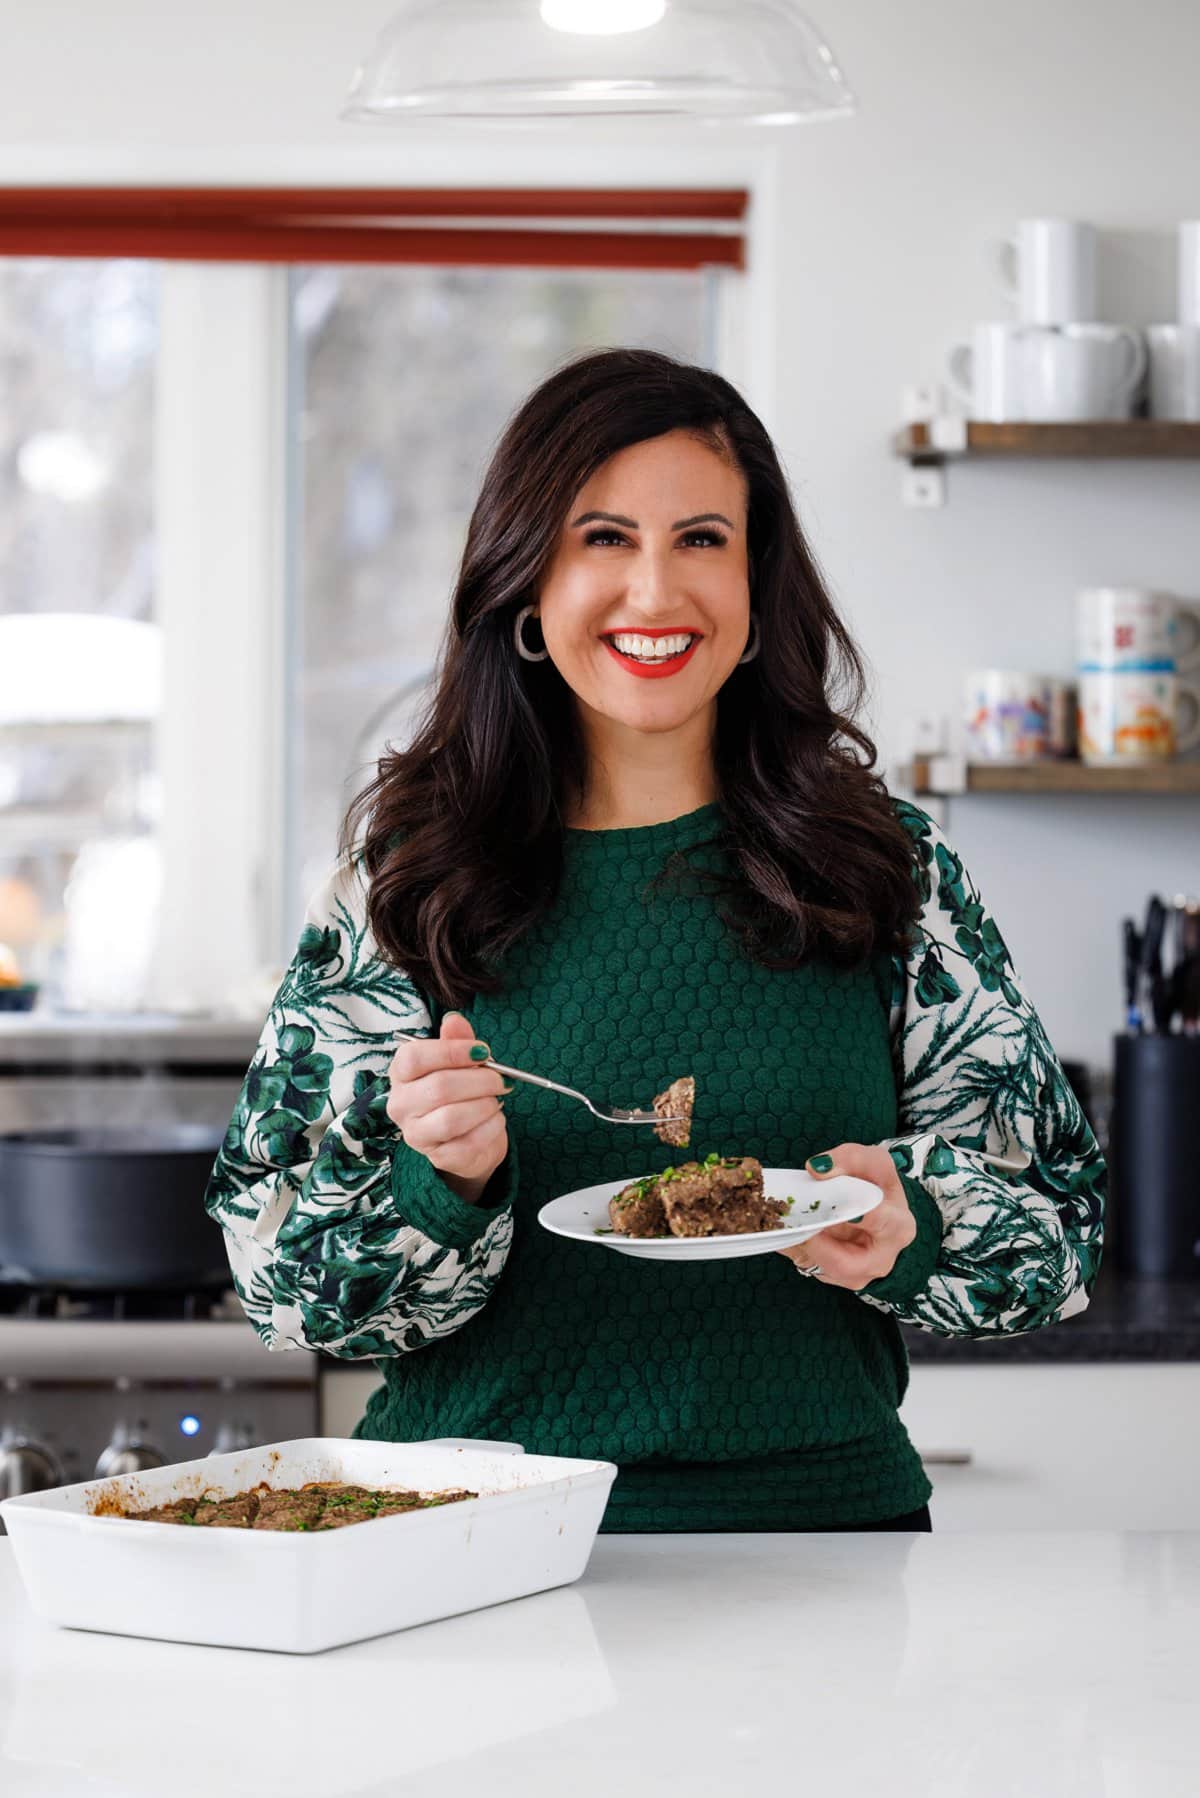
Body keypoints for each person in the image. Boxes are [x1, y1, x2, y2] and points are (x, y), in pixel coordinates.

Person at [205, 347, 1106, 1533]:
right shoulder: (406, 877)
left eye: (700, 539)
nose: (654, 593)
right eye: (603, 539)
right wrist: (442, 1187)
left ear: (757, 581)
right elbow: (283, 1288)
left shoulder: (887, 865)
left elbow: (1061, 1222)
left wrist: (915, 1225)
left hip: (821, 1541)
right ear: (528, 580)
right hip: (465, 1542)